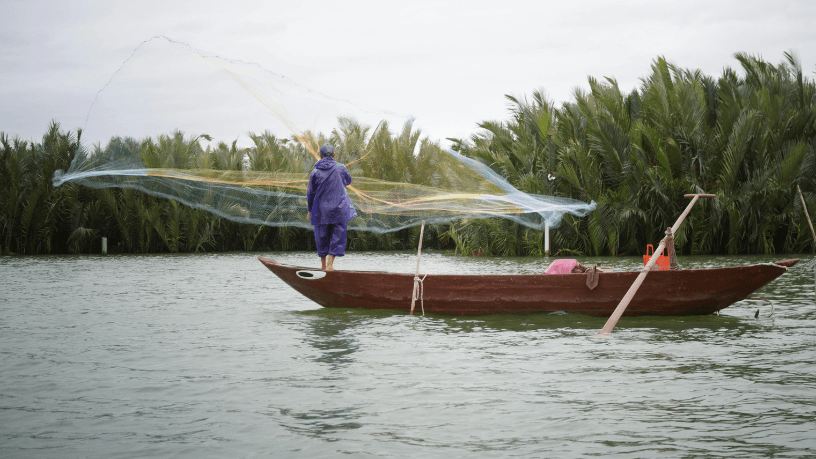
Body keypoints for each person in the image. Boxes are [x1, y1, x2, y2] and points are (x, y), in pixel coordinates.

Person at [306, 143, 357, 270]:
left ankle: (323, 266)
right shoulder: (341, 168)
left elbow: (310, 192)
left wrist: (309, 209)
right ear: (334, 155)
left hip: (321, 210)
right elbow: (349, 180)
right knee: (337, 235)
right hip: (339, 209)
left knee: (321, 236)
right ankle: (330, 265)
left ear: (320, 155)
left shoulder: (315, 172)